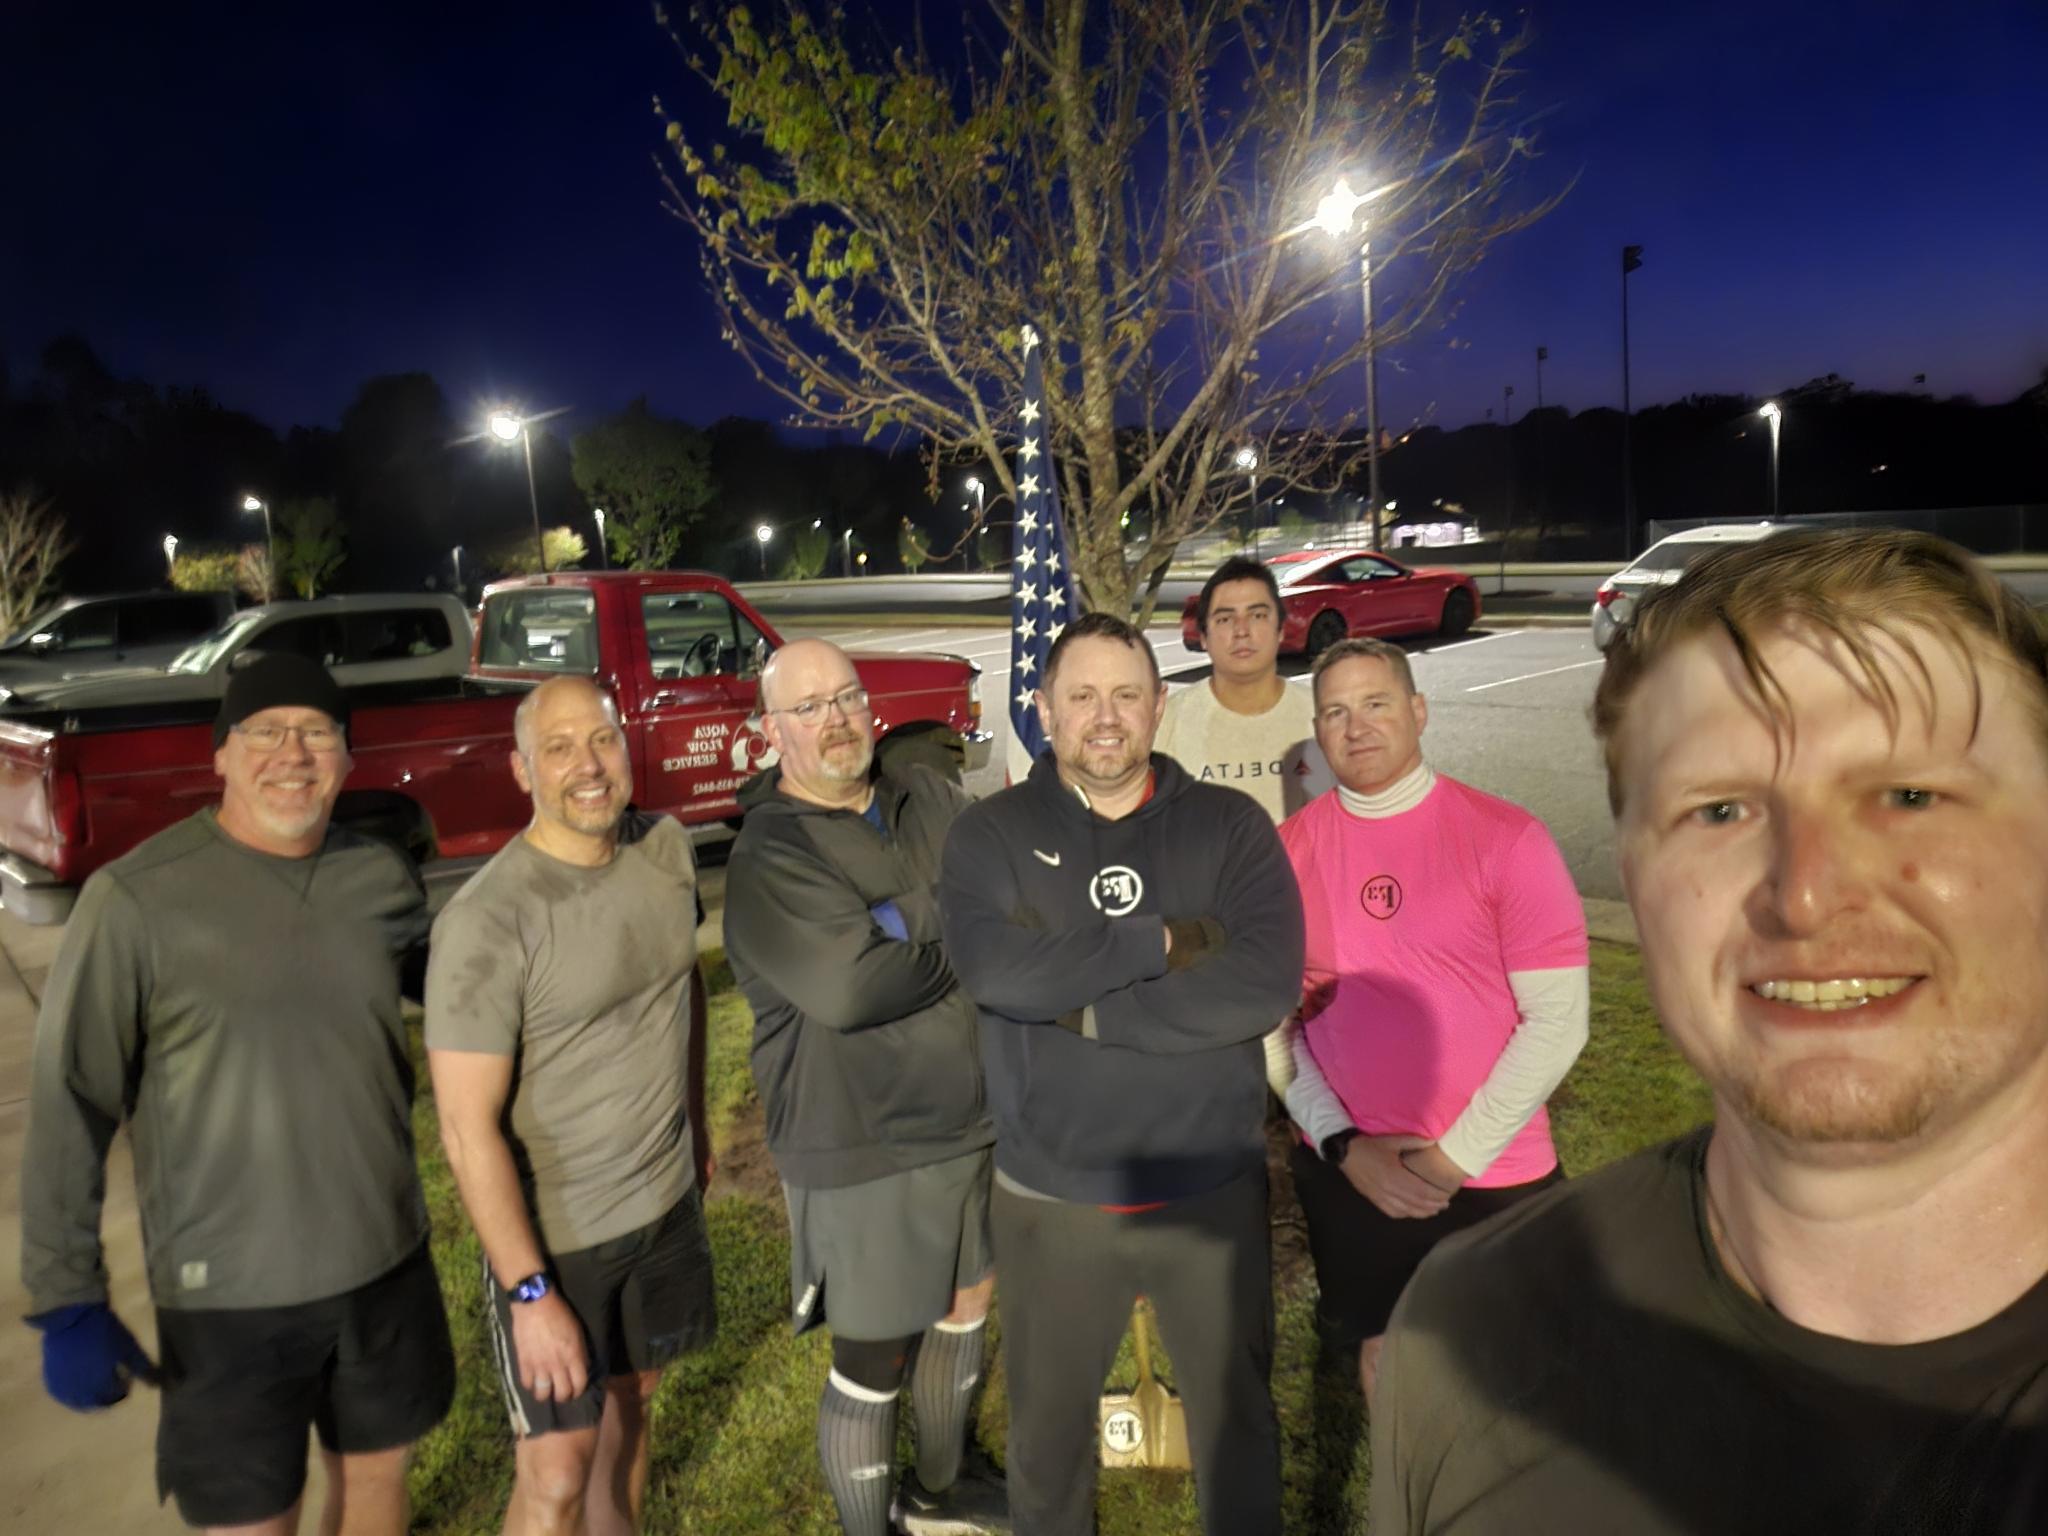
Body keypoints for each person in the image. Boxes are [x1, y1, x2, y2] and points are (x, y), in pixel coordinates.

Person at [1373, 529, 2048, 1534]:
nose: (1806, 894)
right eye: (1721, 810)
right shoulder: (1469, 1336)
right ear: (1634, 882)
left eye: (1910, 796)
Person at [19, 653, 452, 1535]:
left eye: (318, 733)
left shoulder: (379, 880)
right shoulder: (135, 901)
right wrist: (66, 1295)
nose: (293, 754)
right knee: (256, 1521)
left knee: (378, 1487)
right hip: (230, 1298)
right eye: (265, 732)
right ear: (220, 753)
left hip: (384, 1263)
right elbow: (70, 1096)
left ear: (348, 758)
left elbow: (468, 994)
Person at [940, 612, 1306, 1536]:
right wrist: (1164, 943)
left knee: (1236, 1431)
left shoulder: (1230, 826)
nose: (1105, 717)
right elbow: (997, 973)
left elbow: (1261, 984)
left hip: (1208, 1192)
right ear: (1044, 710)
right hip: (1052, 1198)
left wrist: (1092, 1011)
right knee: (1048, 1445)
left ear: (1159, 706)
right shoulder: (989, 834)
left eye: (1126, 695)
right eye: (1082, 696)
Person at [722, 639, 1007, 1536]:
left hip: (973, 1116)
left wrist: (900, 920)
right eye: (808, 709)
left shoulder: (924, 793)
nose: (836, 720)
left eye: (845, 697)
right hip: (863, 1139)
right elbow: (853, 990)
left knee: (966, 1302)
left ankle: (940, 1486)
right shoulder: (770, 852)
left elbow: (1006, 888)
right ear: (772, 731)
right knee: (876, 1351)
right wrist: (960, 924)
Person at [426, 676, 715, 1536]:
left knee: (632, 1404)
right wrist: (529, 1291)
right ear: (523, 771)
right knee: (555, 1472)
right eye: (559, 749)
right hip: (559, 1235)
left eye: (603, 740)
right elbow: (464, 1129)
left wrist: (696, 1119)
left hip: (663, 1205)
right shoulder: (487, 920)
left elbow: (685, 984)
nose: (588, 765)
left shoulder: (665, 848)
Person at [1278, 636, 1589, 1407]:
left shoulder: (1506, 837)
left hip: (1491, 1169)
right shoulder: (1285, 854)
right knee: (1386, 1362)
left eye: (1376, 704)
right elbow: (1272, 1033)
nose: (1356, 727)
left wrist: (1448, 1163)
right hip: (1354, 1172)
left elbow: (1557, 1020)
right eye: (1335, 713)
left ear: (1419, 711)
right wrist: (1344, 1146)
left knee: (1514, 1377)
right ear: (1317, 732)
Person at [1155, 555, 1331, 823]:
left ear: (1281, 629)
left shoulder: (1323, 716)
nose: (1242, 631)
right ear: (1203, 637)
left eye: (1257, 615)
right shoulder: (1165, 723)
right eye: (1225, 619)